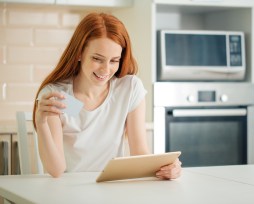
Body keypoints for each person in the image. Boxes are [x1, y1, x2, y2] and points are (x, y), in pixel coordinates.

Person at [33, 12, 182, 179]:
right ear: (79, 53)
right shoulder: (59, 96)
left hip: (112, 188)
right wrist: (41, 123)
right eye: (97, 59)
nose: (105, 70)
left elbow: (139, 152)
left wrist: (166, 167)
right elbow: (56, 170)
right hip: (70, 191)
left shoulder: (129, 89)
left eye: (114, 61)